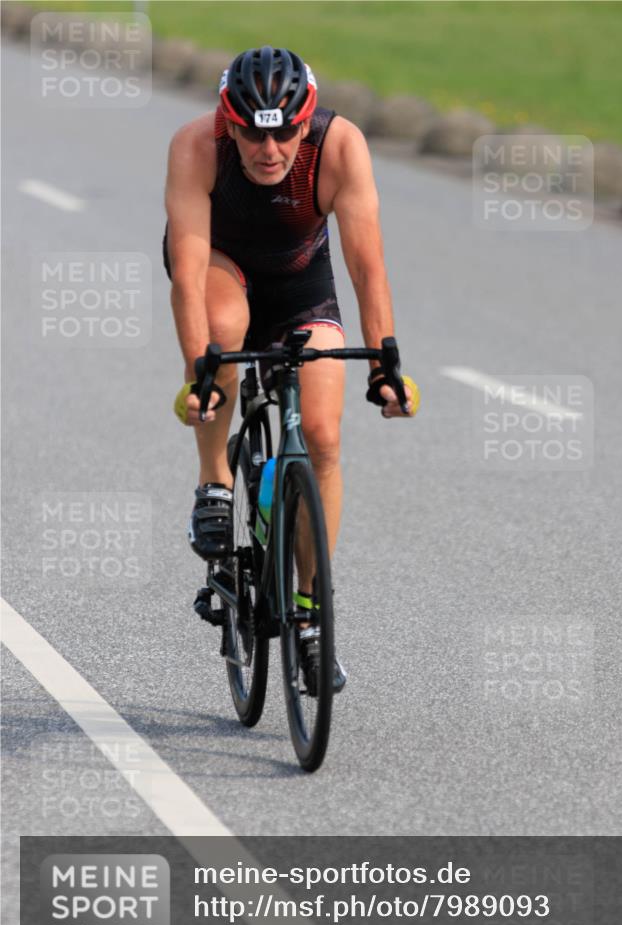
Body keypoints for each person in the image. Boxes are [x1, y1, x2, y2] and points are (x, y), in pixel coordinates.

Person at [163, 46, 419, 692]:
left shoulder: (340, 148)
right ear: (229, 123)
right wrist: (200, 375)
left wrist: (384, 362)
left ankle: (309, 619)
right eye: (252, 132)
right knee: (226, 331)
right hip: (222, 266)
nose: (269, 148)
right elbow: (188, 279)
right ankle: (215, 480)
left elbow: (367, 267)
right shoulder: (196, 147)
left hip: (303, 282)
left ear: (306, 121)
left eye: (284, 130)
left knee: (324, 436)